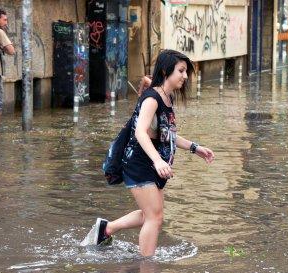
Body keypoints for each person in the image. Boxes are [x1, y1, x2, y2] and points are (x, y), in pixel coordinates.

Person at [83, 49, 215, 257]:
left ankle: (106, 229)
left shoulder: (167, 98)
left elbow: (167, 135)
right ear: (165, 70)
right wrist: (157, 161)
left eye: (186, 71)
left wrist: (195, 148)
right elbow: (140, 132)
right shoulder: (152, 98)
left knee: (151, 214)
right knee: (155, 217)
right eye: (181, 71)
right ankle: (147, 267)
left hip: (150, 163)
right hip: (139, 163)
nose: (185, 76)